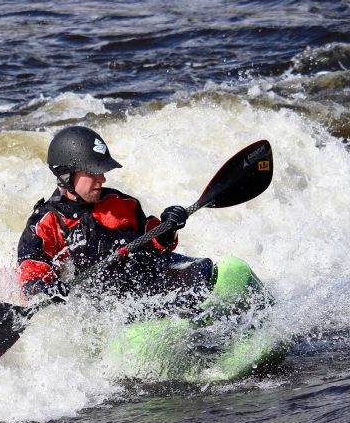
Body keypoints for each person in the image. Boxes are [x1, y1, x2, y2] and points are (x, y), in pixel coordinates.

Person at [16, 125, 215, 315]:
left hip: (146, 281)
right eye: (93, 172)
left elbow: (155, 245)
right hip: (106, 306)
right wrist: (44, 288)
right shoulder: (45, 223)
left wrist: (169, 228)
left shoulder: (121, 203)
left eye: (102, 171)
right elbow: (30, 276)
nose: (102, 179)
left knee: (210, 271)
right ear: (66, 174)